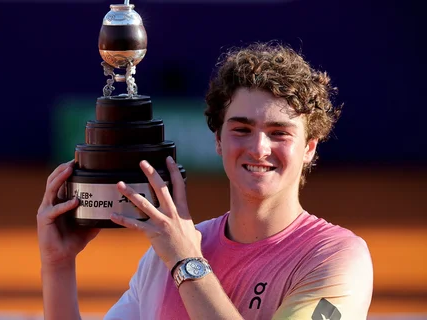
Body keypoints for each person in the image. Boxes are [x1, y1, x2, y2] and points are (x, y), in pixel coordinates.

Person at [37, 42, 373, 320]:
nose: (258, 148)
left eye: (279, 133)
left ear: (309, 148)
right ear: (218, 141)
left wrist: (186, 261)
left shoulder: (336, 258)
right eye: (241, 130)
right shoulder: (162, 257)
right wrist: (58, 265)